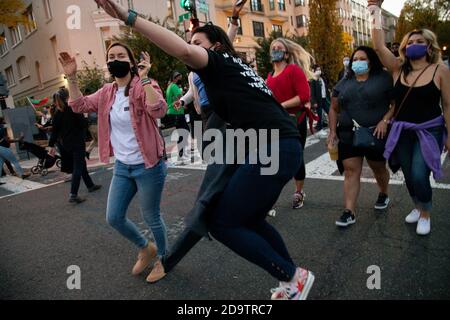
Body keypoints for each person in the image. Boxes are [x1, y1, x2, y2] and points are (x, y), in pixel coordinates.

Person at [95, 0, 315, 300]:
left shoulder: (219, 63)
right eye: (190, 42)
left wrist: (127, 16)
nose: (191, 47)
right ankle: (293, 280)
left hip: (270, 146)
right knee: (248, 218)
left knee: (220, 221)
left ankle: (291, 276)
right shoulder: (235, 66)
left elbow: (184, 51)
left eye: (199, 43)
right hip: (272, 147)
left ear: (215, 46)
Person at [59, 44, 170, 282]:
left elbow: (159, 110)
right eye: (111, 57)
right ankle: (145, 247)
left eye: (121, 56)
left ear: (131, 62)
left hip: (148, 164)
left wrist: (146, 78)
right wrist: (72, 77)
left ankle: (163, 257)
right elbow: (78, 105)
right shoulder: (107, 92)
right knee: (114, 217)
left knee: (151, 216)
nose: (115, 60)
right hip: (122, 166)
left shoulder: (142, 85)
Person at [368, 0, 450, 235]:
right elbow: (378, 46)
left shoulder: (440, 71)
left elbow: (447, 104)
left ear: (429, 46)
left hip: (430, 130)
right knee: (407, 172)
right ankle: (417, 206)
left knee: (418, 173)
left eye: (420, 42)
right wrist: (374, 9)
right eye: (410, 42)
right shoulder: (397, 68)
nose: (414, 45)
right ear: (404, 47)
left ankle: (426, 212)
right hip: (402, 130)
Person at [328, 46, 393, 228]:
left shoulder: (384, 79)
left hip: (375, 132)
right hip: (348, 133)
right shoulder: (345, 81)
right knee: (350, 171)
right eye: (354, 59)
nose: (357, 62)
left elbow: (395, 104)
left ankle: (383, 192)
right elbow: (333, 108)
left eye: (362, 59)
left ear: (370, 61)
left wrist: (385, 120)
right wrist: (333, 131)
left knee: (378, 168)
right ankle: (349, 211)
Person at [266, 37, 315, 210]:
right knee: (274, 159)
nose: (275, 51)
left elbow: (304, 96)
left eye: (279, 48)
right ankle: (268, 196)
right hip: (276, 122)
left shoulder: (293, 70)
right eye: (273, 48)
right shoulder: (270, 76)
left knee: (295, 157)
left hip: (295, 121)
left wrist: (281, 106)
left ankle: (299, 192)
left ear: (286, 54)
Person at [48, 88, 102, 204]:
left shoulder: (57, 113)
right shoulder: (73, 109)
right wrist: (85, 117)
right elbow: (82, 124)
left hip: (66, 144)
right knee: (78, 167)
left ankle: (90, 185)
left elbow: (54, 131)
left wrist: (51, 145)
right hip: (77, 142)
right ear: (68, 97)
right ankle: (73, 194)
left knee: (81, 164)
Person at [166, 71, 190, 162]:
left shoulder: (169, 86)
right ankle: (181, 154)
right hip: (177, 111)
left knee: (182, 132)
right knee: (185, 131)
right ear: (175, 78)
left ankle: (182, 152)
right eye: (179, 78)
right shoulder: (174, 86)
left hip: (173, 111)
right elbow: (180, 97)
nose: (180, 79)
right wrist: (184, 103)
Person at [310, 64, 330, 134]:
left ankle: (323, 124)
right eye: (317, 70)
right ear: (314, 71)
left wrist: (328, 97)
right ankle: (320, 128)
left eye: (319, 69)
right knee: (320, 114)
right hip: (318, 100)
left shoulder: (323, 78)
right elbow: (312, 92)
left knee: (329, 111)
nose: (319, 71)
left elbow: (326, 88)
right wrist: (314, 102)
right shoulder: (313, 80)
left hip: (324, 99)